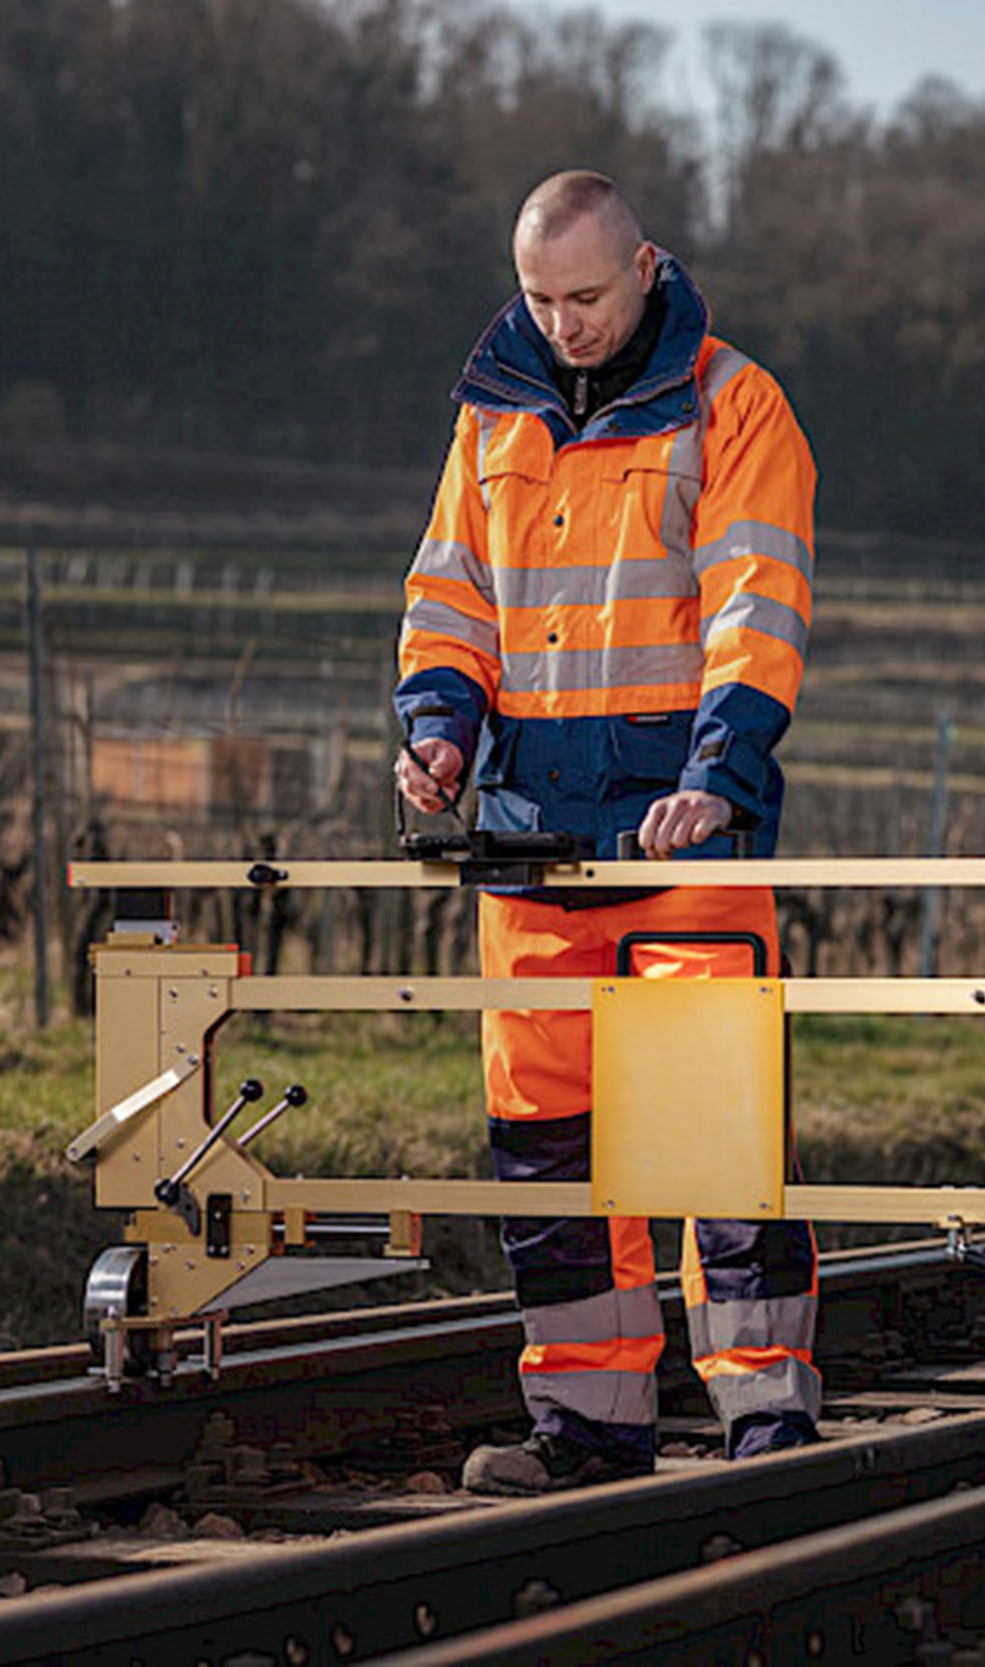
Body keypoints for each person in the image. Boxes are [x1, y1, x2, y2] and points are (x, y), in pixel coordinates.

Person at [393, 170, 821, 1496]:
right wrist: (437, 733)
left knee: (713, 1145)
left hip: (678, 847)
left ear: (646, 270)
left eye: (585, 294)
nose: (565, 321)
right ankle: (588, 1435)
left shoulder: (732, 404)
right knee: (551, 1153)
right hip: (527, 848)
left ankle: (767, 1433)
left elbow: (759, 604)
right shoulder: (490, 417)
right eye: (540, 296)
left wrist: (720, 776)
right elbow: (450, 600)